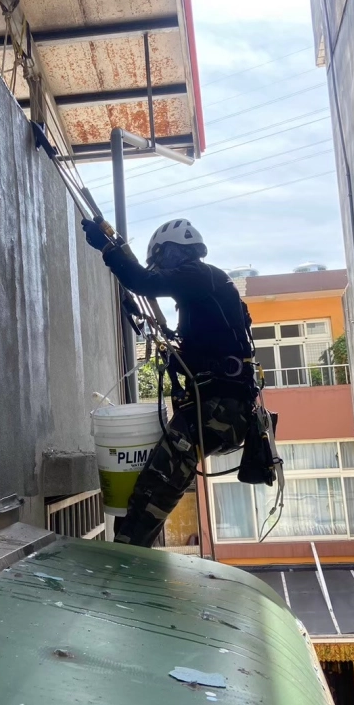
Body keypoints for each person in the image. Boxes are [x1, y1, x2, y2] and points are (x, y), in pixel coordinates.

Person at [81, 217, 256, 547]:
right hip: (222, 407)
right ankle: (130, 549)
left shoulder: (198, 274)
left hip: (218, 407)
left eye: (161, 260)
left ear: (176, 250)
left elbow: (142, 281)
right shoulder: (206, 289)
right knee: (156, 483)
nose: (161, 269)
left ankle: (128, 554)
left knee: (155, 486)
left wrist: (107, 247)